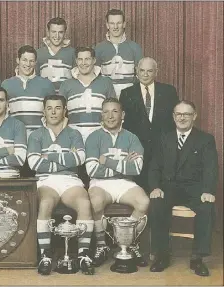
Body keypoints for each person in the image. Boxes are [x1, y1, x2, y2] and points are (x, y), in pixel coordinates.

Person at [148, 100, 218, 277]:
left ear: (194, 116)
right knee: (156, 203)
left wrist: (208, 191)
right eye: (178, 114)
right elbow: (154, 166)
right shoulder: (164, 138)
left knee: (207, 207)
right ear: (173, 116)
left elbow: (211, 168)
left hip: (194, 189)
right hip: (168, 188)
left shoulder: (205, 139)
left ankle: (197, 258)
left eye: (186, 114)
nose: (182, 117)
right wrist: (155, 187)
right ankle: (162, 255)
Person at [27, 94, 94, 276]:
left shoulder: (74, 133)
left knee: (85, 203)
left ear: (65, 110)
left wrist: (49, 156)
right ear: (44, 111)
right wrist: (67, 158)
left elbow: (79, 159)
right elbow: (33, 163)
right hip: (45, 179)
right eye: (49, 108)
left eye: (58, 108)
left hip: (70, 180)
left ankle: (83, 254)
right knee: (46, 203)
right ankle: (45, 255)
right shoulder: (36, 134)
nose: (54, 112)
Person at [85, 97, 149, 268]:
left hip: (125, 183)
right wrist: (123, 164)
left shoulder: (132, 138)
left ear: (123, 114)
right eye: (106, 112)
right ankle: (101, 246)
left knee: (143, 202)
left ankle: (130, 244)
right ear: (101, 115)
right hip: (100, 183)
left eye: (115, 111)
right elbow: (91, 170)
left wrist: (107, 161)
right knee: (95, 201)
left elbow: (136, 169)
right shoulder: (93, 137)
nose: (110, 116)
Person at [120, 57, 179, 192]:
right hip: (138, 150)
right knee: (140, 190)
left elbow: (174, 120)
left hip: (162, 149)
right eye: (142, 70)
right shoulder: (126, 93)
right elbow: (125, 125)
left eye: (149, 71)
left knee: (161, 189)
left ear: (156, 72)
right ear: (137, 72)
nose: (145, 74)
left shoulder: (169, 91)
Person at [60, 46, 116, 143]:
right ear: (76, 61)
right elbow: (60, 114)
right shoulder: (66, 84)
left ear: (94, 60)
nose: (83, 63)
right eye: (80, 59)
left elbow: (114, 112)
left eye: (87, 59)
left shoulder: (106, 82)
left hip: (100, 137)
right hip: (73, 138)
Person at [1, 45, 55, 138]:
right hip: (15, 136)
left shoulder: (47, 84)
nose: (28, 64)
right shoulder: (6, 84)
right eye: (24, 60)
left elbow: (53, 114)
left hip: (40, 137)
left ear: (35, 62)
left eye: (31, 61)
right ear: (18, 60)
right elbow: (2, 114)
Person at [95, 9, 142, 98]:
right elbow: (95, 76)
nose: (115, 27)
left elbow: (141, 75)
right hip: (107, 95)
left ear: (124, 24)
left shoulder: (135, 47)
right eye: (112, 23)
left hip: (130, 94)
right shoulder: (98, 48)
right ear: (107, 25)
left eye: (119, 23)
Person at [36, 17, 76, 94]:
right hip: (45, 98)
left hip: (65, 99)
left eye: (60, 32)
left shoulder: (73, 53)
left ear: (65, 33)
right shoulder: (38, 53)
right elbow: (34, 80)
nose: (57, 36)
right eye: (53, 32)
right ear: (48, 32)